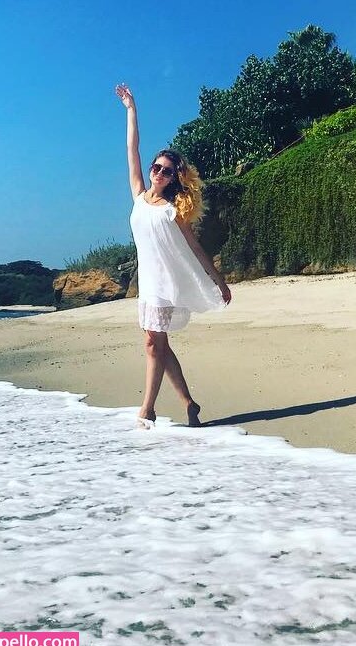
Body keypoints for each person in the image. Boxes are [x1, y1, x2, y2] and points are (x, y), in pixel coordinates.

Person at [115, 83, 231, 429]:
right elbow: (132, 149)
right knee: (159, 345)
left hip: (166, 284)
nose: (159, 173)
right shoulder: (139, 195)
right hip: (148, 284)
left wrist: (219, 281)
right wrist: (131, 109)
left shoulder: (174, 210)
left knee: (153, 343)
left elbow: (195, 248)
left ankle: (147, 409)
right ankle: (189, 404)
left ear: (174, 178)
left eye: (167, 171)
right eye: (157, 167)